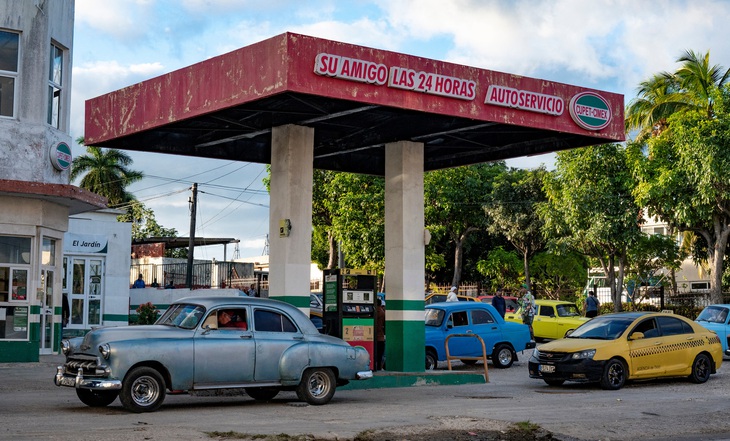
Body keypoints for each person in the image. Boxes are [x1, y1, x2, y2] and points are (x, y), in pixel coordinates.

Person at [375, 298, 386, 370]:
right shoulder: (382, 312)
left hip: (376, 336)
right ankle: (379, 367)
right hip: (380, 337)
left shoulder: (376, 312)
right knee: (380, 354)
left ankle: (377, 366)